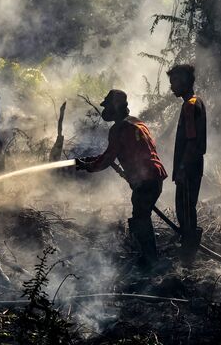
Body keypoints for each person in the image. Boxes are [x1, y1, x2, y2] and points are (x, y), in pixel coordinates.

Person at [76, 89, 167, 267]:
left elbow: (108, 158)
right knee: (141, 216)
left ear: (117, 106)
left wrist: (89, 166)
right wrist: (90, 161)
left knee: (141, 219)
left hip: (146, 179)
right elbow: (112, 155)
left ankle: (151, 262)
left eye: (108, 106)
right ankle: (148, 257)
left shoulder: (120, 128)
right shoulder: (136, 122)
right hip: (154, 177)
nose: (105, 111)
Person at [167, 64, 207, 262]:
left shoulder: (190, 105)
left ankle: (189, 253)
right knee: (186, 207)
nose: (171, 87)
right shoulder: (194, 102)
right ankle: (188, 247)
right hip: (193, 165)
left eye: (173, 82)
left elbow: (192, 141)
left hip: (189, 167)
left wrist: (182, 168)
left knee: (185, 209)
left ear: (183, 81)